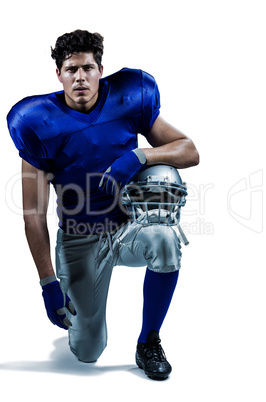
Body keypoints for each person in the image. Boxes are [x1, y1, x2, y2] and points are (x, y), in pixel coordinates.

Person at [7, 29, 199, 380]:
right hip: (79, 236)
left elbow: (188, 149)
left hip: (128, 226)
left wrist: (140, 155)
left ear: (100, 69)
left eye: (88, 68)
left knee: (166, 240)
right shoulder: (39, 122)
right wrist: (47, 281)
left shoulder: (128, 98)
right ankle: (83, 319)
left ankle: (149, 341)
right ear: (58, 74)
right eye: (71, 70)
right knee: (86, 353)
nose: (80, 77)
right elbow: (33, 214)